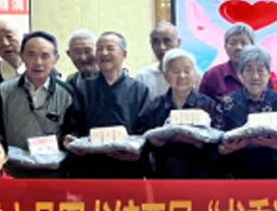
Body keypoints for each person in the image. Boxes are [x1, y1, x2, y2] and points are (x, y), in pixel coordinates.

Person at [64, 31, 153, 178]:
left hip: (128, 168)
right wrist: (72, 139)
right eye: (99, 49)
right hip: (90, 168)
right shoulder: (83, 89)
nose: (104, 53)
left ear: (124, 54)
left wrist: (138, 153)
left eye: (110, 48)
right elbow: (73, 125)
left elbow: (146, 130)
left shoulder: (139, 90)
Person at [0, 31, 76, 178]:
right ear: (22, 56)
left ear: (55, 59)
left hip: (53, 173)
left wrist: (70, 138)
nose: (38, 62)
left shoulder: (67, 93)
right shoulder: (4, 90)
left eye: (45, 56)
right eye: (31, 55)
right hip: (13, 173)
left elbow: (72, 129)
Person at [136, 49, 223, 178]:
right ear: (165, 76)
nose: (182, 76)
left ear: (195, 74)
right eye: (175, 71)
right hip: (164, 177)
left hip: (201, 176)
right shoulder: (155, 106)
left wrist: (201, 143)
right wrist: (154, 143)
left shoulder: (208, 106)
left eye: (187, 71)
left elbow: (220, 142)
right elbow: (141, 139)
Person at [218, 46, 277, 179]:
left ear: (269, 74)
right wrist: (226, 149)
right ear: (240, 75)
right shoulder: (227, 103)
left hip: (276, 173)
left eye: (260, 70)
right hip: (236, 174)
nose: (255, 77)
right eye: (249, 70)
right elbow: (216, 140)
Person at [200, 22, 261, 101]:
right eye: (232, 43)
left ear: (253, 46)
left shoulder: (263, 74)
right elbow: (201, 106)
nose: (238, 47)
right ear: (225, 47)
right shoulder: (213, 75)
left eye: (244, 43)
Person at [136, 21, 182, 99]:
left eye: (167, 41)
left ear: (178, 43)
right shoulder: (143, 76)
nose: (162, 47)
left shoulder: (192, 75)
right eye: (156, 42)